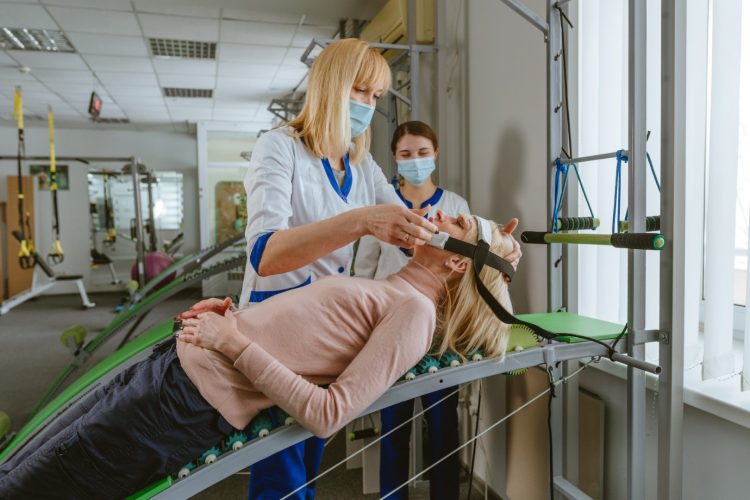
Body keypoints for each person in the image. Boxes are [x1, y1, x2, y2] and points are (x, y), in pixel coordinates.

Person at [0, 213, 517, 500]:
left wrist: (233, 342)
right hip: (168, 373)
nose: (441, 214)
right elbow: (298, 337)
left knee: (29, 489)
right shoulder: (391, 287)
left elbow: (328, 414)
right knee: (15, 470)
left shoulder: (414, 313)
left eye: (458, 221)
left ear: (457, 262)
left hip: (178, 405)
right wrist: (235, 317)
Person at [233, 38, 440, 499]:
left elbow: (407, 225)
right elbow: (265, 254)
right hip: (275, 329)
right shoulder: (279, 148)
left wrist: (480, 240)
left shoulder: (361, 166)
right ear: (330, 86)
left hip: (325, 335)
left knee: (307, 460)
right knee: (281, 475)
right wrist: (361, 221)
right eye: (360, 91)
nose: (368, 105)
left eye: (375, 96)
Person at [354, 120, 470, 500]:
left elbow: (465, 272)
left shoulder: (455, 208)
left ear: (436, 154)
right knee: (393, 430)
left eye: (422, 152)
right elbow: (363, 273)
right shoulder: (381, 209)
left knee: (443, 429)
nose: (415, 160)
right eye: (406, 154)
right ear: (394, 158)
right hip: (390, 330)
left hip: (440, 332)